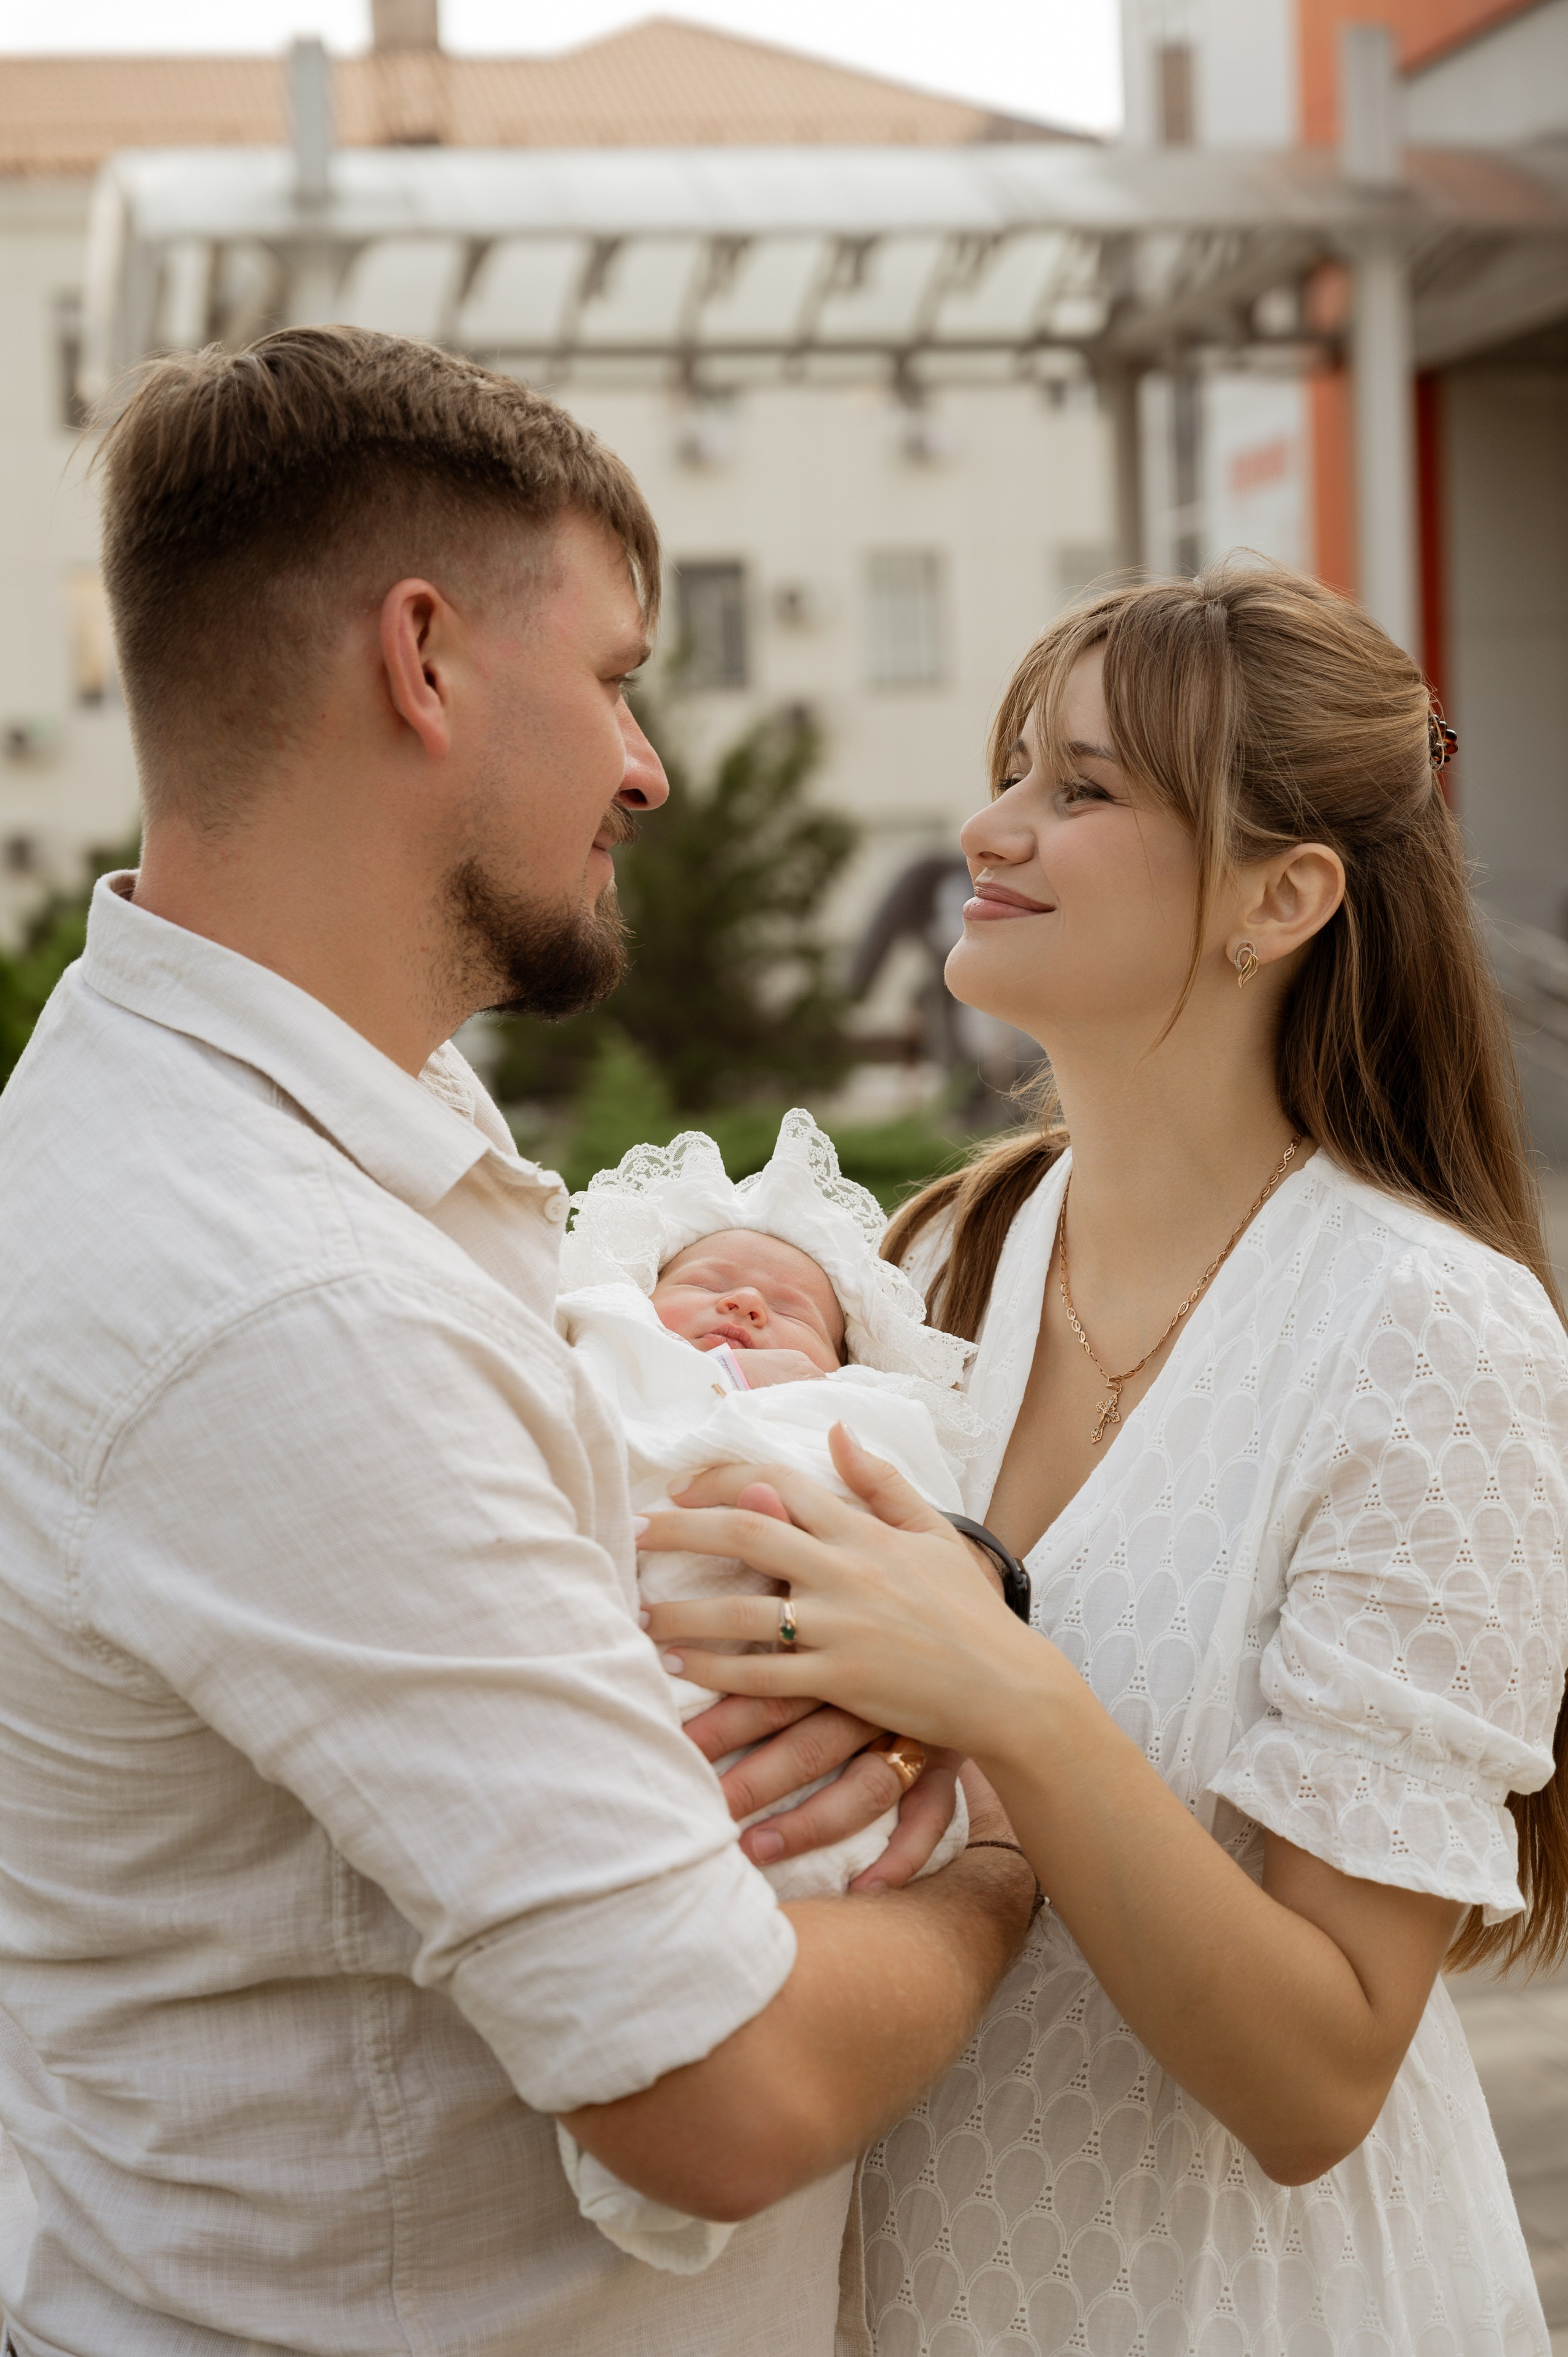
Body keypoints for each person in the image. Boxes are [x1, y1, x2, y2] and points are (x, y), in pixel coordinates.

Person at [0, 326, 1036, 2357]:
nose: (647, 764)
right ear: (426, 658)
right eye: (621, 675)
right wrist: (1008, 1827)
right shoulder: (286, 1295)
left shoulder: (294, 1126)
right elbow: (715, 2079)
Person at [639, 564, 1568, 2356]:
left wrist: (1012, 1696)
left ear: (1282, 896)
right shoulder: (920, 1268)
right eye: (1013, 769)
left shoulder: (1434, 1335)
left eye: (1085, 788)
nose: (993, 826)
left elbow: (1316, 2080)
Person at [556, 1109, 983, 2274]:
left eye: (788, 1306)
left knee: (807, 1857)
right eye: (705, 1284)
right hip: (645, 1666)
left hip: (813, 1708)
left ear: (851, 1361)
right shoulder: (605, 1351)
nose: (741, 1307)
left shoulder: (857, 1421)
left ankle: (711, 2081)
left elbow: (939, 1542)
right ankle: (661, 2091)